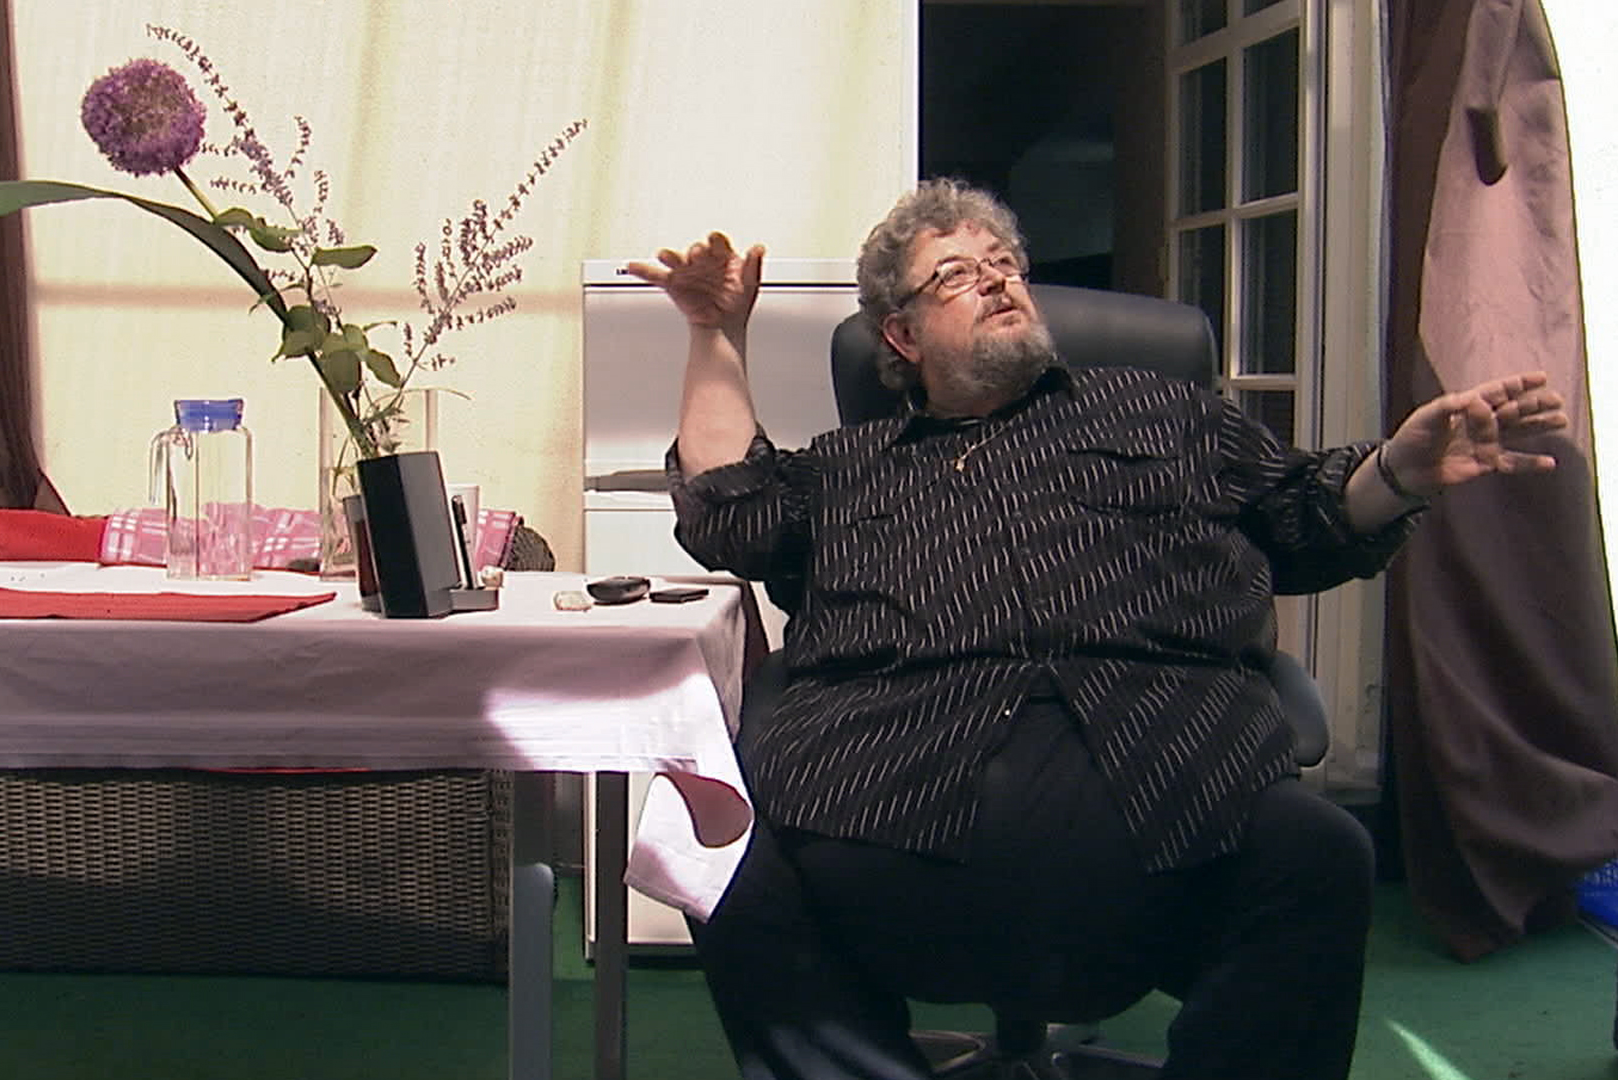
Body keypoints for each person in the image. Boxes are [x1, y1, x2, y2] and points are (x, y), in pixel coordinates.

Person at [625, 178, 1568, 1080]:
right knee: (707, 850)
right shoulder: (848, 466)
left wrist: (1398, 473)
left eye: (1005, 263)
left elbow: (1306, 513)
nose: (997, 280)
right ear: (902, 335)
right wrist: (716, 332)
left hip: (1167, 764)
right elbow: (728, 512)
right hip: (890, 781)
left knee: (1319, 855)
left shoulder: (1169, 416)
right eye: (956, 273)